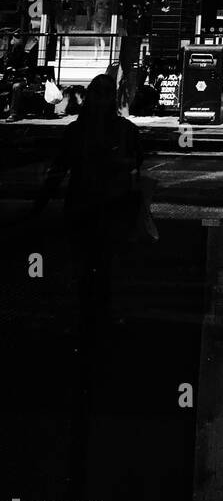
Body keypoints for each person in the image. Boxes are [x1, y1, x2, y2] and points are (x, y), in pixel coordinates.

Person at [34, 70, 146, 321]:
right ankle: (98, 312)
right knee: (101, 263)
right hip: (108, 204)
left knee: (87, 263)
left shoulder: (77, 131)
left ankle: (89, 312)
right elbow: (137, 162)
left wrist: (38, 207)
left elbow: (58, 170)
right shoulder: (125, 130)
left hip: (86, 203)